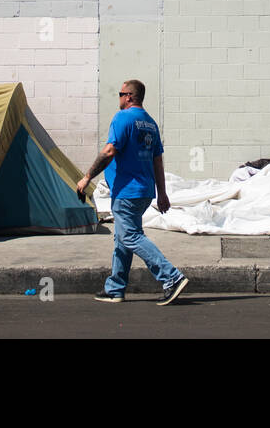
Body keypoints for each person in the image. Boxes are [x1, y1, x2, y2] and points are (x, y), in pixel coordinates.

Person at [77, 79, 188, 305]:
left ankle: (172, 277)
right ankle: (115, 288)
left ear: (129, 96)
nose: (118, 98)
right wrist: (162, 193)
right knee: (122, 238)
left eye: (120, 94)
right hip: (144, 191)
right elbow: (158, 161)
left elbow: (109, 151)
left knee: (130, 236)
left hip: (127, 192)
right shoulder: (150, 123)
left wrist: (87, 177)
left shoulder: (123, 118)